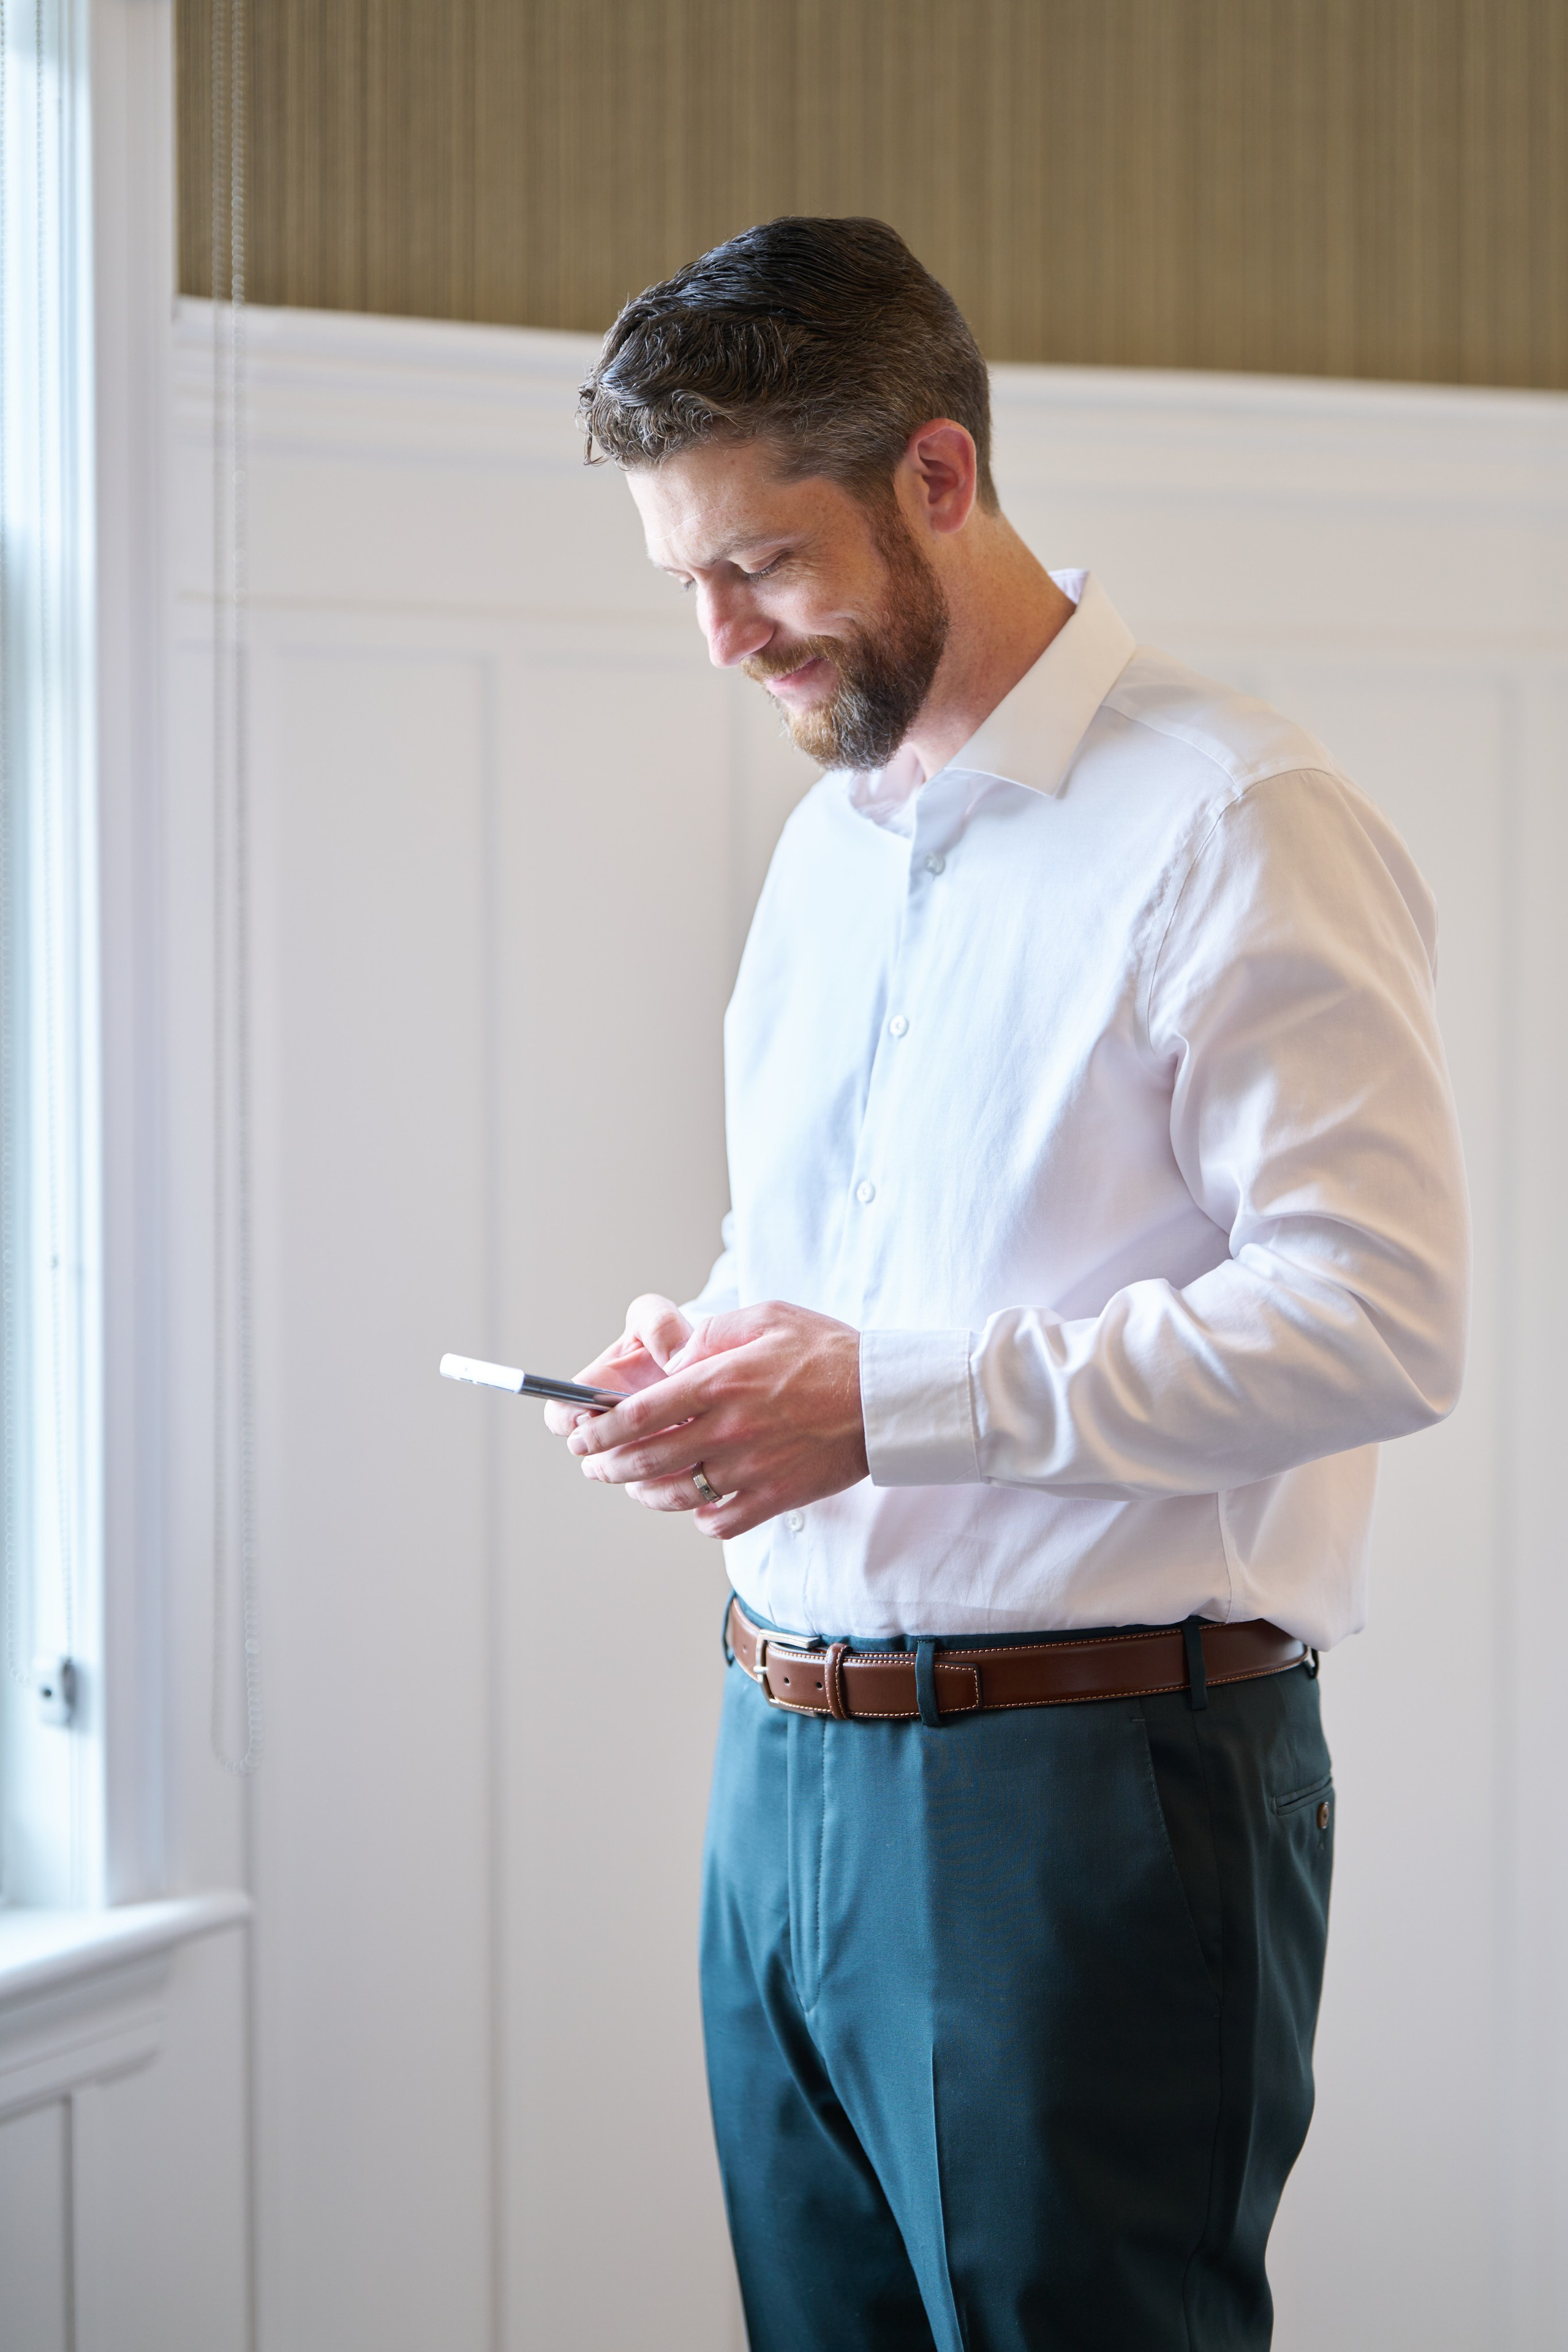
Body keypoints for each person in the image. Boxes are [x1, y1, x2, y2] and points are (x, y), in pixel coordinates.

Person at [546, 217, 1468, 2351]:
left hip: (1093, 1805)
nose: (719, 637)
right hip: (779, 1776)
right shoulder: (832, 846)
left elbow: (1381, 1316)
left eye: (759, 567)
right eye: (684, 580)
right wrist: (717, 1355)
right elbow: (822, 1258)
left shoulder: (1241, 818)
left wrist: (882, 1400)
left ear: (938, 480)